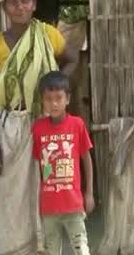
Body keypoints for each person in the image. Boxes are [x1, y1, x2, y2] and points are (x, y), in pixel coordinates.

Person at [0, 0, 78, 255]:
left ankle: (43, 248)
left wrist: (55, 91)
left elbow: (73, 58)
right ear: (4, 7)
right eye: (13, 2)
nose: (20, 7)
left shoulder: (47, 35)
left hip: (43, 125)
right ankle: (13, 249)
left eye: (25, 1)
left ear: (34, 4)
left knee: (44, 190)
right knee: (9, 196)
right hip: (9, 129)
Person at [32, 71, 94, 255]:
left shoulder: (77, 125)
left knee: (81, 248)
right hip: (48, 207)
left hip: (73, 204)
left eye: (59, 98)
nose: (54, 103)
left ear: (68, 99)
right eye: (49, 99)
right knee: (52, 250)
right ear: (42, 101)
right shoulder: (37, 128)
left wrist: (89, 193)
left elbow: (86, 158)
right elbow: (37, 166)